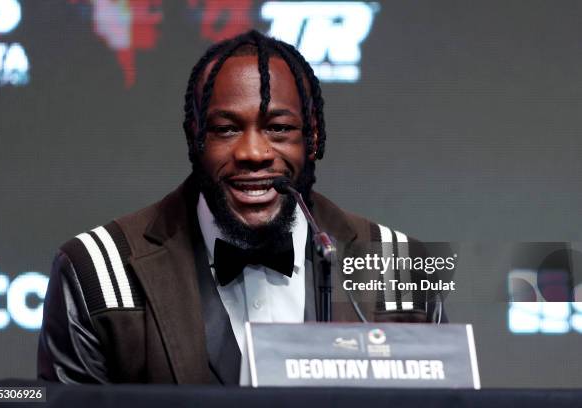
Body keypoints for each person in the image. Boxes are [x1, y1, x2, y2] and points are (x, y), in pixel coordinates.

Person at [37, 30, 445, 385]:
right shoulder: (96, 271)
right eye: (227, 129)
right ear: (194, 137)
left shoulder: (401, 268)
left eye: (279, 128)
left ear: (314, 137)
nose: (253, 152)